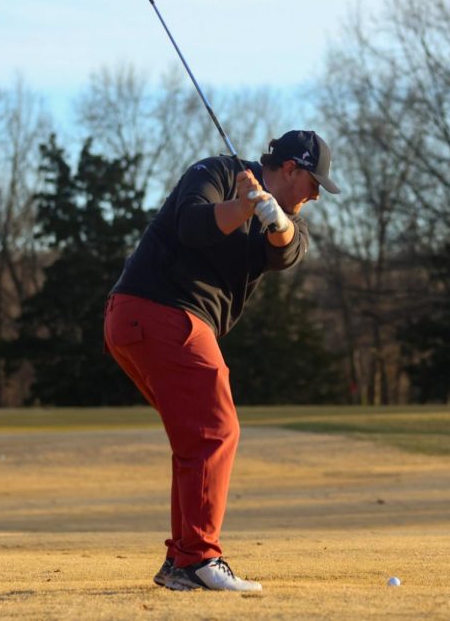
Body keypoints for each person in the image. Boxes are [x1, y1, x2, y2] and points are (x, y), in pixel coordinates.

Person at [103, 130, 340, 592]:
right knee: (217, 430)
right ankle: (198, 559)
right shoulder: (216, 172)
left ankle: (181, 561)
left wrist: (273, 215)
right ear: (290, 169)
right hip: (162, 309)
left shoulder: (287, 217)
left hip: (142, 321)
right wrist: (243, 206)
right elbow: (191, 226)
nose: (315, 196)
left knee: (196, 439)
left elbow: (288, 251)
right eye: (313, 184)